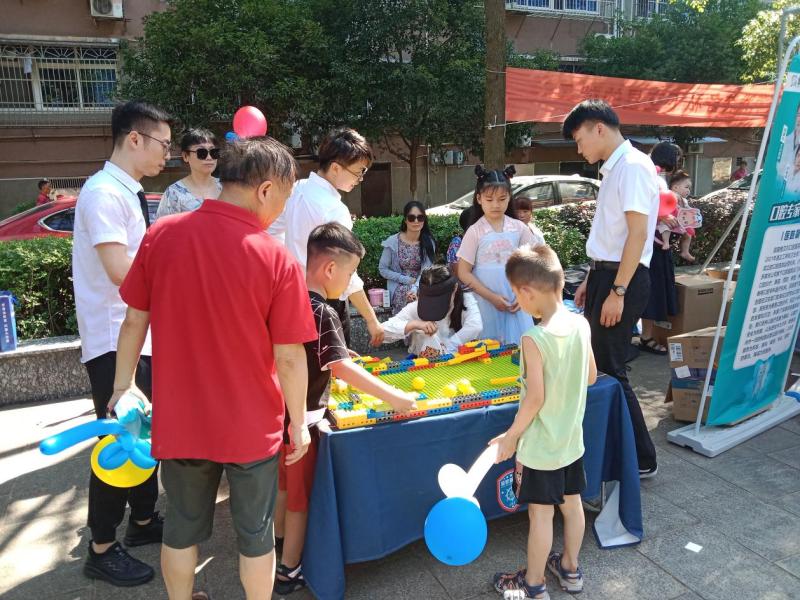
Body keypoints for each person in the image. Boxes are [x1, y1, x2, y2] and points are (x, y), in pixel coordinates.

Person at [112, 137, 317, 600]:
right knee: (256, 536)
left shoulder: (163, 234)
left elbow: (133, 320)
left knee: (180, 529)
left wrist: (124, 386)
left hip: (182, 419)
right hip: (251, 423)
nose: (281, 209)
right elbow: (289, 355)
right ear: (266, 189)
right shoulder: (275, 257)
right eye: (284, 197)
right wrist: (298, 423)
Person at [273, 222, 417, 595]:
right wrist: (394, 397)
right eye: (351, 273)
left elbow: (310, 352)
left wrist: (339, 353)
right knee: (301, 499)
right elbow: (340, 368)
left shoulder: (290, 297)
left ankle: (277, 545)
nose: (351, 281)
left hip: (280, 416)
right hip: (304, 421)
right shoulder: (324, 311)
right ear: (330, 269)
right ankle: (289, 569)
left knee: (284, 488)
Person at [72, 100, 172, 587]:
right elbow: (120, 271)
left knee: (143, 434)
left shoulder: (125, 192)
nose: (167, 155)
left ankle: (144, 520)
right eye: (164, 145)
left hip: (136, 335)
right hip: (115, 340)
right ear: (135, 138)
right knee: (117, 442)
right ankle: (101, 547)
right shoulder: (103, 194)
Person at [491, 244, 596, 600]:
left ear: (527, 292)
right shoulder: (581, 324)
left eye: (516, 295)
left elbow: (534, 398)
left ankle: (533, 584)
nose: (518, 302)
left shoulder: (533, 338)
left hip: (539, 448)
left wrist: (510, 436)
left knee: (541, 515)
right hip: (571, 440)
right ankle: (570, 569)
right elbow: (591, 376)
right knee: (573, 504)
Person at [562, 99, 659, 478]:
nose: (578, 148)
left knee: (611, 368)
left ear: (598, 127)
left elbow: (637, 235)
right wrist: (592, 279)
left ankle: (641, 458)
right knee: (599, 365)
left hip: (623, 278)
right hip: (607, 275)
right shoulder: (615, 169)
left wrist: (617, 291)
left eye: (579, 138)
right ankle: (619, 451)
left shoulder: (632, 166)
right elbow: (611, 236)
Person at [268, 128, 384, 346]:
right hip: (327, 301)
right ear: (336, 168)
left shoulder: (296, 189)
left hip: (294, 296)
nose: (360, 179)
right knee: (335, 364)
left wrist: (293, 264)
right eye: (358, 172)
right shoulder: (334, 210)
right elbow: (347, 272)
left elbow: (272, 232)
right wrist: (371, 319)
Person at [456, 165, 545, 345]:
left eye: (502, 199)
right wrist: (491, 297)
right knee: (489, 349)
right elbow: (463, 272)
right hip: (485, 303)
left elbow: (536, 262)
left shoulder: (519, 228)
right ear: (479, 199)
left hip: (517, 303)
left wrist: (525, 292)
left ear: (509, 197)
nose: (496, 205)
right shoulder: (475, 231)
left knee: (519, 349)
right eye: (489, 199)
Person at [380, 265, 483, 358]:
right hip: (426, 365)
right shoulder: (416, 307)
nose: (435, 305)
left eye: (441, 300)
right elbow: (382, 333)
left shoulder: (465, 299)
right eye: (430, 300)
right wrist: (414, 325)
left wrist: (448, 347)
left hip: (461, 361)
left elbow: (475, 326)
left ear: (455, 288)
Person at [640, 142, 683, 355]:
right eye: (678, 159)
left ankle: (645, 335)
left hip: (652, 244)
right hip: (648, 245)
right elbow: (642, 208)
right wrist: (662, 216)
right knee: (651, 292)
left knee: (651, 292)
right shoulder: (650, 176)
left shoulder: (655, 176)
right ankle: (645, 337)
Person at [379, 201, 436, 315]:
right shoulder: (392, 242)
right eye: (411, 218)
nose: (416, 221)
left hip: (421, 283)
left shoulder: (428, 243)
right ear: (405, 220)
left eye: (420, 217)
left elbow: (425, 272)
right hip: (398, 285)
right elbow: (383, 269)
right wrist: (406, 280)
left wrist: (415, 288)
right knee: (406, 293)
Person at [156, 128, 221, 220]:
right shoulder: (174, 193)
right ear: (185, 156)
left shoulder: (227, 188)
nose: (209, 157)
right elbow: (163, 226)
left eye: (214, 152)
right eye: (201, 152)